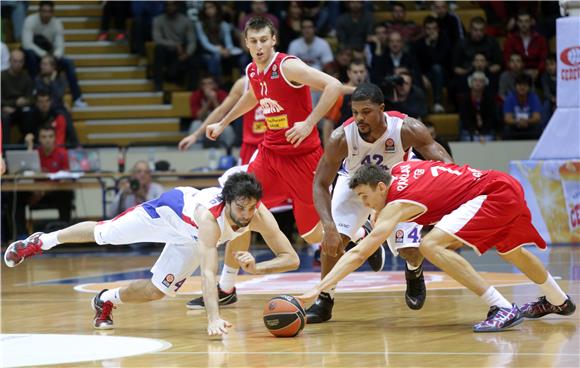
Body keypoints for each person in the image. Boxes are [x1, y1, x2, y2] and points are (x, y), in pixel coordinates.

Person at [4, 172, 300, 337]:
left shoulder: (258, 214)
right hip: (168, 214)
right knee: (106, 234)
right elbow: (209, 273)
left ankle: (105, 300)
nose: (247, 215)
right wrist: (213, 318)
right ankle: (42, 242)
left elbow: (292, 258)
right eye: (241, 208)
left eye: (252, 208)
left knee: (158, 291)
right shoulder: (211, 218)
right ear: (227, 202)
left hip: (189, 238)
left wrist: (257, 268)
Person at [298, 163, 576, 332]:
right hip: (500, 184)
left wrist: (319, 288)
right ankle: (558, 300)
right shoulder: (399, 171)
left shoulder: (397, 204)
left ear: (381, 187)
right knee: (511, 250)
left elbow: (359, 253)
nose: (364, 203)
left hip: (492, 195)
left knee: (431, 245)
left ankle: (501, 307)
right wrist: (375, 212)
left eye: (365, 196)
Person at [195, 16, 351, 309]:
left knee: (313, 234)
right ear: (246, 43)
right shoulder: (253, 70)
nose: (258, 46)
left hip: (304, 158)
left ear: (273, 40)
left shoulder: (287, 65)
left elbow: (334, 85)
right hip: (270, 155)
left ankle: (355, 233)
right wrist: (223, 121)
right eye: (253, 41)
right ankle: (226, 287)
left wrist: (308, 123)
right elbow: (252, 97)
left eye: (263, 40)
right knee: (239, 207)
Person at [307, 83, 453, 323]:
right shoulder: (341, 137)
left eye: (365, 112)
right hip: (355, 182)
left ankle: (414, 271)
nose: (359, 118)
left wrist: (455, 195)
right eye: (354, 112)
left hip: (397, 183)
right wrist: (329, 227)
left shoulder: (407, 128)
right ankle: (325, 297)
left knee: (409, 250)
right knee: (332, 244)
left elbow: (443, 162)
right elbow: (320, 183)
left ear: (381, 109)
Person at [21, 1, 87, 107]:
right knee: (30, 54)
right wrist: (44, 55)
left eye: (49, 12)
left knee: (69, 63)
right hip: (34, 55)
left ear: (52, 13)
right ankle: (34, 92)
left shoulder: (57, 23)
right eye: (44, 11)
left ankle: (77, 97)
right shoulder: (30, 20)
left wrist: (55, 57)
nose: (46, 14)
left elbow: (60, 45)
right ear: (39, 11)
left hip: (49, 56)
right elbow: (26, 44)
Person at [152, 1, 197, 91]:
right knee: (158, 49)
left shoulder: (185, 20)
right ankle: (158, 85)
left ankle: (191, 89)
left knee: (194, 60)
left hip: (181, 52)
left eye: (173, 5)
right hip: (166, 51)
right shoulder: (158, 20)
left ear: (177, 6)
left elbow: (192, 41)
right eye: (168, 5)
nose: (170, 7)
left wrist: (187, 54)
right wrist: (175, 44)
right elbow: (157, 39)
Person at [503, 11, 548, 81]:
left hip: (537, 72)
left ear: (531, 22)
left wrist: (538, 71)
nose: (523, 24)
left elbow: (544, 58)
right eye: (521, 21)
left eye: (526, 21)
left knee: (547, 75)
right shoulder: (510, 39)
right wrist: (521, 72)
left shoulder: (540, 39)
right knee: (505, 75)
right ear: (517, 23)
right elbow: (507, 58)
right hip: (517, 72)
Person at [1, 49, 33, 145]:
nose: (18, 64)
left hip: (21, 109)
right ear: (9, 61)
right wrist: (10, 104)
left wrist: (25, 101)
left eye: (20, 61)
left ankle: (26, 146)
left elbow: (31, 98)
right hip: (4, 108)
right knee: (4, 118)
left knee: (31, 114)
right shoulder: (1, 76)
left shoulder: (26, 77)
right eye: (15, 61)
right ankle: (5, 148)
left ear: (23, 62)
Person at [503, 73, 542, 140]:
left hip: (529, 125)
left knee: (538, 128)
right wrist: (518, 122)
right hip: (515, 125)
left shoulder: (534, 98)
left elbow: (537, 117)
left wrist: (526, 121)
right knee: (506, 130)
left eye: (525, 85)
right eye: (519, 85)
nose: (522, 87)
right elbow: (507, 118)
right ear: (515, 86)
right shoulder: (510, 98)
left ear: (529, 87)